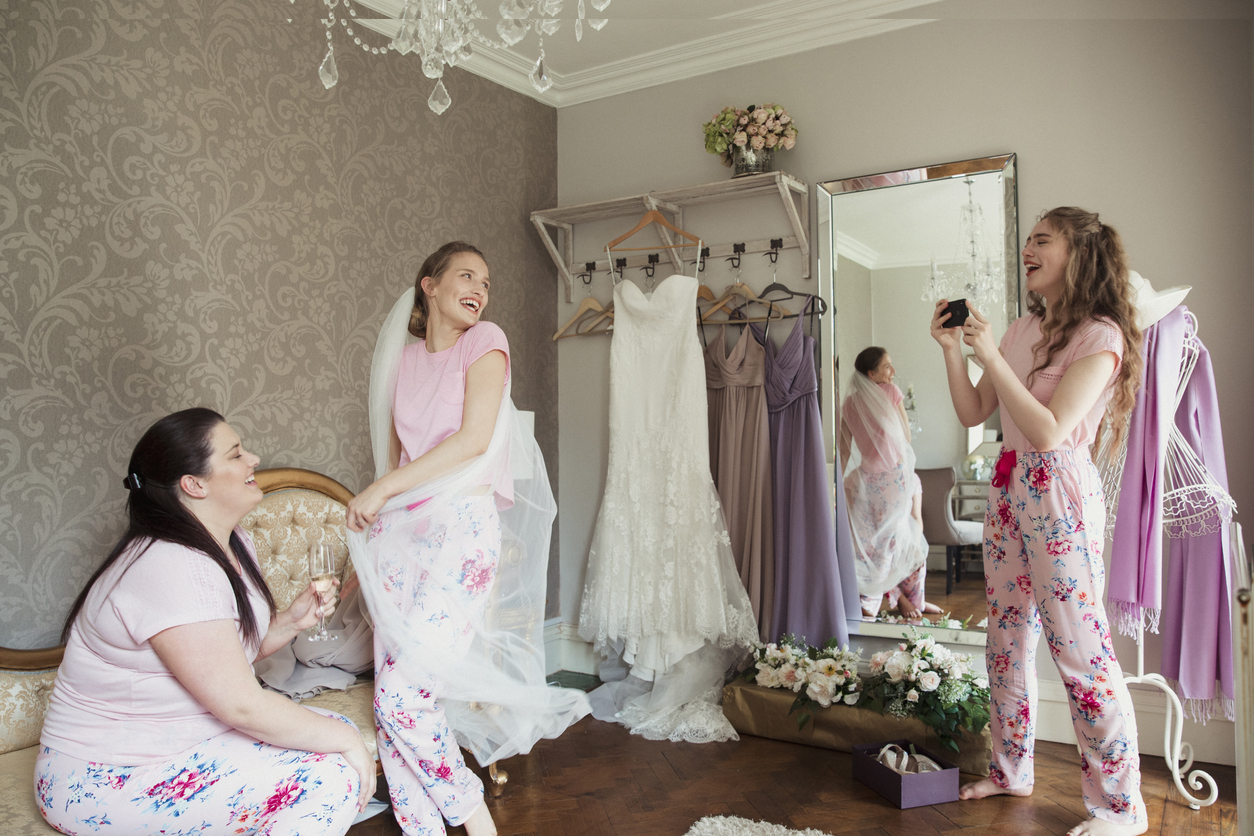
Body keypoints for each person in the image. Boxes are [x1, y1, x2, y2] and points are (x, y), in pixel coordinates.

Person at [345, 242, 589, 836]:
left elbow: (476, 439)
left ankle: (477, 823)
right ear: (428, 285)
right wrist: (375, 539)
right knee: (393, 703)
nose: (480, 286)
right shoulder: (401, 360)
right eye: (465, 274)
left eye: (485, 279)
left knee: (405, 698)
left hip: (461, 533)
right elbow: (402, 453)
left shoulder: (486, 342)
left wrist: (377, 491)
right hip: (404, 533)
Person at [36, 408, 374, 836]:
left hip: (179, 745)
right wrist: (349, 744)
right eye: (235, 455)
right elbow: (242, 705)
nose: (253, 459)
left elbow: (224, 656)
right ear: (194, 484)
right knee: (331, 771)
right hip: (105, 776)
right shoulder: (170, 565)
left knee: (333, 730)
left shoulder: (232, 542)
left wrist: (289, 621)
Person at [931, 207, 1147, 836]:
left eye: (1042, 240)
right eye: (1027, 240)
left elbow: (1051, 432)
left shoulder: (1102, 335)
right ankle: (1010, 769)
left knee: (1081, 651)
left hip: (1058, 494)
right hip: (1007, 486)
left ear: (1078, 253)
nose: (1028, 249)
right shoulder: (1023, 328)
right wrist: (955, 351)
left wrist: (991, 354)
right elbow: (977, 410)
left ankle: (1121, 806)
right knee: (1006, 639)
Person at [838, 347, 935, 620]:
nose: (893, 372)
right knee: (889, 545)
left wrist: (835, 484)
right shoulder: (891, 393)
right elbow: (906, 437)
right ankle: (905, 601)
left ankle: (867, 606)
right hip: (892, 480)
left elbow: (844, 450)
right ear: (872, 374)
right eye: (887, 367)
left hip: (863, 481)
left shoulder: (849, 404)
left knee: (868, 547)